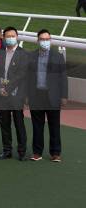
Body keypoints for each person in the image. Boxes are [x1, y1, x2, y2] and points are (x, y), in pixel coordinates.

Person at [27, 29, 68, 162]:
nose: (45, 42)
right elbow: (27, 78)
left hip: (53, 96)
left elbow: (63, 78)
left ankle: (55, 153)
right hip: (36, 95)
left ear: (50, 40)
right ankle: (37, 152)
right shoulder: (31, 56)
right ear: (38, 41)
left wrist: (64, 96)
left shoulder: (58, 56)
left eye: (47, 39)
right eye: (42, 39)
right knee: (37, 126)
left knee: (54, 125)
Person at [0, 26, 29, 161]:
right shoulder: (1, 53)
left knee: (19, 123)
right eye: (7, 36)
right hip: (2, 95)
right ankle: (7, 150)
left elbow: (21, 75)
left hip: (15, 95)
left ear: (17, 36)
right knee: (5, 124)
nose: (10, 38)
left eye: (12, 36)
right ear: (3, 38)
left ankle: (22, 152)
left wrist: (7, 89)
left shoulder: (23, 54)